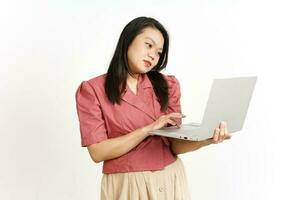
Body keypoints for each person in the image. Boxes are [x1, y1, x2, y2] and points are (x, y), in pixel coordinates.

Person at [75, 16, 232, 200]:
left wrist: (207, 138)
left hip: (171, 179)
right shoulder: (92, 90)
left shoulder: (167, 85)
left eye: (159, 52)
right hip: (128, 185)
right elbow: (98, 152)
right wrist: (147, 130)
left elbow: (175, 146)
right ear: (128, 40)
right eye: (149, 45)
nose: (153, 56)